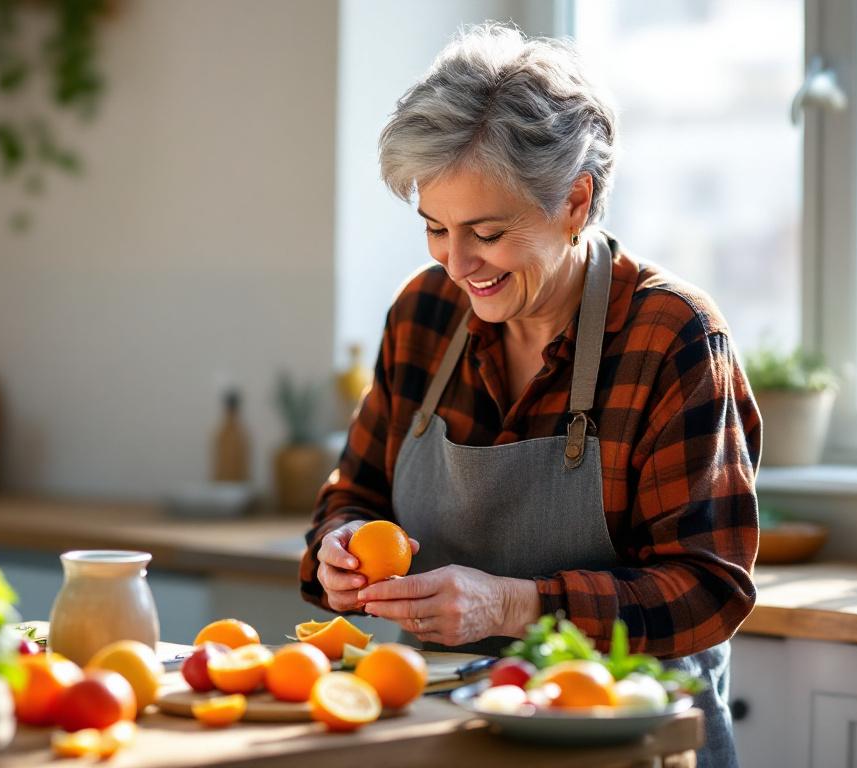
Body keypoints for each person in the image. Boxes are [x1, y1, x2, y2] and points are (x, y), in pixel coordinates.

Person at [298, 24, 760, 768]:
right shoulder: (424, 314)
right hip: (450, 735)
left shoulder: (671, 336)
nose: (457, 263)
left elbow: (707, 591)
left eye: (485, 231)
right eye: (435, 229)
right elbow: (352, 494)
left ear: (575, 201)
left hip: (628, 741)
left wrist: (513, 604)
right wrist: (338, 549)